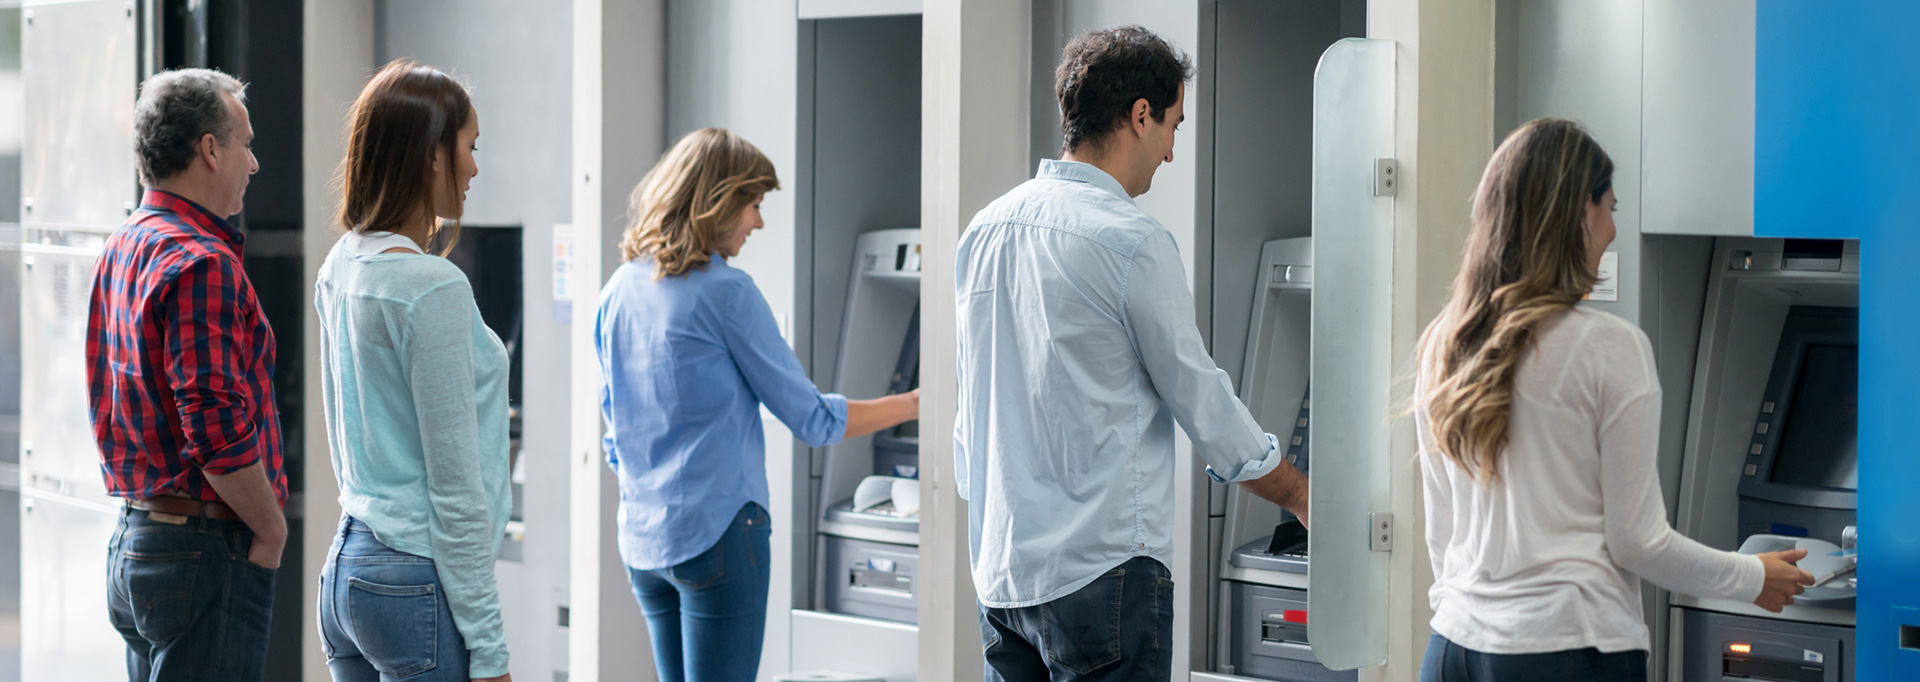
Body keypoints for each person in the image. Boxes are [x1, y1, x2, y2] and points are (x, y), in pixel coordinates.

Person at [952, 26, 1310, 682]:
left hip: (1003, 575)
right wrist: (1299, 494)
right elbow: (1204, 405)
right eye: (1173, 124)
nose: (1172, 151)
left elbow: (969, 411)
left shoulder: (985, 229)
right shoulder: (1132, 242)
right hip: (1103, 576)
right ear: (1139, 116)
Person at [1412, 118, 1815, 682]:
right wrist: (1753, 576)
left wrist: (1470, 615)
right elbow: (1638, 543)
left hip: (1452, 646)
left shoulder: (1444, 342)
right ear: (1579, 212)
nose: (1614, 231)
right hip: (1569, 650)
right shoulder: (1609, 347)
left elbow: (1442, 529)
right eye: (1611, 209)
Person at [595, 128, 919, 682]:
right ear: (717, 202)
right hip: (719, 535)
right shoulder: (727, 292)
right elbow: (814, 420)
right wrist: (914, 403)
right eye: (754, 204)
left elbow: (614, 434)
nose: (759, 222)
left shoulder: (618, 290)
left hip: (645, 542)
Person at [313, 60, 512, 682]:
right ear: (432, 155)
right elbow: (456, 492)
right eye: (469, 147)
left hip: (349, 568)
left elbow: (346, 440)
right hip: (413, 578)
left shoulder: (342, 265)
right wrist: (491, 652)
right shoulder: (431, 287)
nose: (475, 167)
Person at [88, 67, 285, 682]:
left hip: (138, 540)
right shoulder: (201, 262)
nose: (253, 164)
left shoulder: (124, 245)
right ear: (209, 149)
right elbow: (214, 423)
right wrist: (271, 528)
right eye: (246, 144)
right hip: (204, 549)